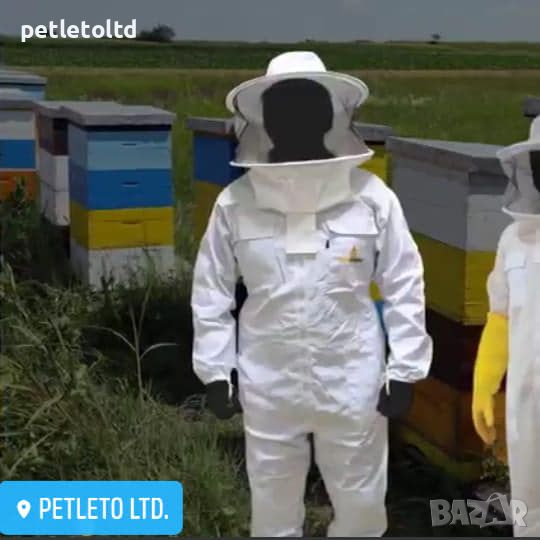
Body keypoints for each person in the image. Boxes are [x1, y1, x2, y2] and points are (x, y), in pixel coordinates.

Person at [191, 51, 432, 537]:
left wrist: (405, 369)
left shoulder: (372, 197)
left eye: (307, 108)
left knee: (362, 505)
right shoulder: (235, 202)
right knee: (272, 507)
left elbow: (405, 281)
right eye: (283, 110)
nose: (294, 120)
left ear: (328, 117)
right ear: (265, 121)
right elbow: (211, 290)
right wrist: (216, 370)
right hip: (267, 381)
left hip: (353, 380)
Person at [472, 115, 540, 537]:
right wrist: (485, 382)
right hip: (526, 404)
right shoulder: (514, 238)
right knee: (529, 513)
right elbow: (501, 314)